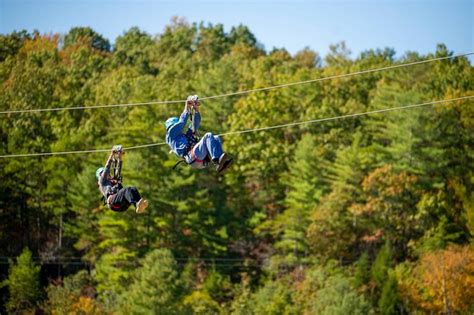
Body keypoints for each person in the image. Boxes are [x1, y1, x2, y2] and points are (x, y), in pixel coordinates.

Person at [165, 95, 233, 173]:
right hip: (192, 156)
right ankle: (216, 160)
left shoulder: (182, 137)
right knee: (208, 135)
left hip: (198, 158)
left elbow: (194, 126)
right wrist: (187, 107)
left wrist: (196, 111)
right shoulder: (170, 134)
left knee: (216, 137)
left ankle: (221, 163)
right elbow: (182, 122)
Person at [96, 146, 148, 213]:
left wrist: (120, 157)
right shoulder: (102, 181)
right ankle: (137, 203)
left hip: (122, 205)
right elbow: (107, 167)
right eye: (103, 173)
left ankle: (138, 205)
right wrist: (112, 154)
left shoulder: (113, 180)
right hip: (113, 202)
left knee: (133, 189)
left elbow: (118, 170)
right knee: (127, 190)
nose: (108, 174)